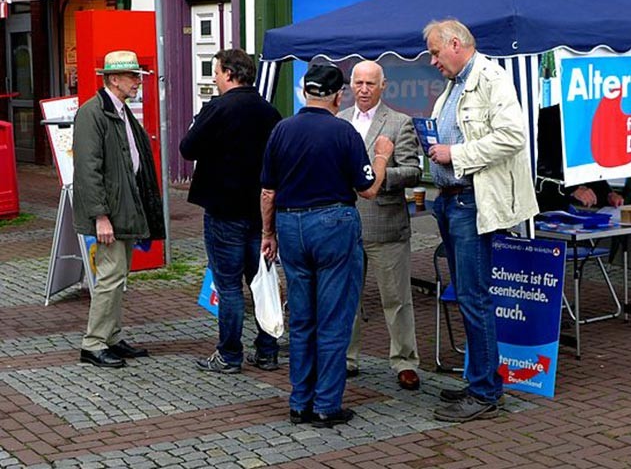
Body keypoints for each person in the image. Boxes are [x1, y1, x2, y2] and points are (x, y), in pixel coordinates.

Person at [260, 62, 394, 428]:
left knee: (302, 319)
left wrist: (267, 234)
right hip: (333, 222)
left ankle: (299, 400)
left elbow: (268, 191)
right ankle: (326, 405)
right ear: (339, 95)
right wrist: (381, 156)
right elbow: (367, 188)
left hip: (290, 224)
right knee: (333, 318)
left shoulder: (281, 130)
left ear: (306, 92)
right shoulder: (344, 132)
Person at [423, 19, 539, 422]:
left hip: (471, 202)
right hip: (452, 201)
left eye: (436, 53)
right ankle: (479, 379)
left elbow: (513, 137)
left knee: (475, 297)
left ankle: (486, 392)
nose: (433, 61)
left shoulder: (491, 77)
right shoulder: (456, 85)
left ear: (456, 44)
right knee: (467, 295)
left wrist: (455, 154)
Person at [179, 48, 282, 374]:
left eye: (217, 71)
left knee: (228, 285)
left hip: (224, 208)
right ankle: (267, 351)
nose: (214, 77)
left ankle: (229, 354)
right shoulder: (269, 111)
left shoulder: (218, 108)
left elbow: (187, 147)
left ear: (229, 74)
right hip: (260, 211)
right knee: (261, 281)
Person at [72, 50, 166, 368]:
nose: (138, 81)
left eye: (138, 76)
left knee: (118, 275)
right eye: (132, 76)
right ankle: (93, 342)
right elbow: (88, 169)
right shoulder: (93, 113)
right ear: (114, 79)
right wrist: (101, 216)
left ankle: (110, 336)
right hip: (110, 212)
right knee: (111, 276)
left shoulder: (120, 110)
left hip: (123, 208)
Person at [338, 60, 422, 390]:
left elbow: (413, 171)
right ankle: (346, 358)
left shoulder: (399, 122)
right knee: (347, 298)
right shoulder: (340, 121)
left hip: (386, 224)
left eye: (370, 84)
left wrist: (379, 174)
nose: (363, 89)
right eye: (358, 83)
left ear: (383, 87)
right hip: (346, 225)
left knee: (396, 299)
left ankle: (405, 361)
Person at [535, 104, 624, 212]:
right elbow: (534, 175)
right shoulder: (548, 122)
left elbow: (584, 167)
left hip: (560, 210)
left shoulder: (583, 124)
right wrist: (571, 189)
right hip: (534, 209)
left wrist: (607, 194)